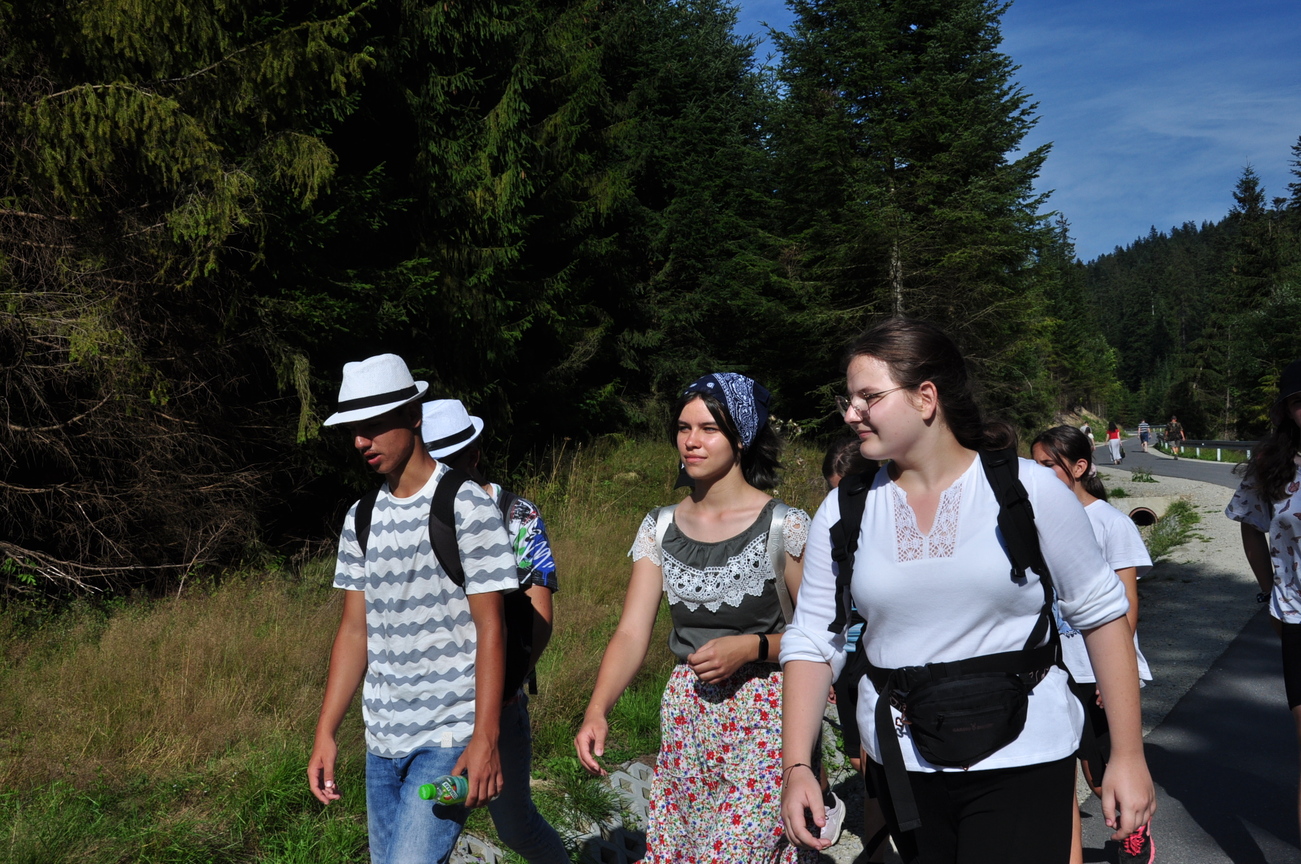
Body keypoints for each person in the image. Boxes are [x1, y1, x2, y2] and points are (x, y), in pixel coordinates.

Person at [778, 318, 1155, 864]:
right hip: (904, 763)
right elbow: (814, 639)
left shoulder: (1029, 489)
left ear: (926, 398)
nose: (851, 413)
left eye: (869, 397)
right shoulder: (844, 508)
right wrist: (797, 767)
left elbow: (1102, 617)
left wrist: (1127, 754)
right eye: (849, 399)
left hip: (1025, 754)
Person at [574, 373, 820, 863]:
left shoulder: (785, 526)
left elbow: (819, 636)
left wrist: (751, 647)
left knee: (738, 853)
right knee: (682, 850)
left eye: (709, 429)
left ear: (741, 437)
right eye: (684, 428)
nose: (691, 440)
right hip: (688, 719)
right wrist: (597, 709)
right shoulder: (659, 526)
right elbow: (631, 631)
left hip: (769, 715)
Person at [307, 354, 518, 864]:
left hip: (448, 737)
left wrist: (486, 738)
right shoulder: (359, 518)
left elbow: (492, 628)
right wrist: (325, 731)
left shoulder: (466, 505)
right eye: (354, 430)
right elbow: (354, 632)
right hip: (381, 743)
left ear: (414, 416)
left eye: (373, 426)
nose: (361, 441)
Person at [423, 399, 569, 864]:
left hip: (497, 700)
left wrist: (505, 692)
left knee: (514, 825)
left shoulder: (514, 514)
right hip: (433, 706)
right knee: (430, 829)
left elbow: (539, 616)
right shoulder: (419, 512)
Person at [1031, 425, 1155, 864]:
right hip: (1052, 669)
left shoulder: (1111, 523)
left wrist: (1113, 674)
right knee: (1060, 775)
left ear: (1080, 467)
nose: (1039, 474)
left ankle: (1134, 830)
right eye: (1034, 465)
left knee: (1101, 778)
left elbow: (1127, 605)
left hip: (1096, 668)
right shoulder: (1032, 521)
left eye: (1049, 465)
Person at [1225, 359, 1301, 839]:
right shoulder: (1274, 467)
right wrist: (1270, 591)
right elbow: (1250, 526)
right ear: (1287, 409)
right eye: (1299, 401)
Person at [822, 437, 890, 863]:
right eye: (834, 490)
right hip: (846, 659)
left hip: (882, 659)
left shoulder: (889, 521)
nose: (843, 500)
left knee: (881, 762)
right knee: (860, 761)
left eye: (849, 489)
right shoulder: (828, 526)